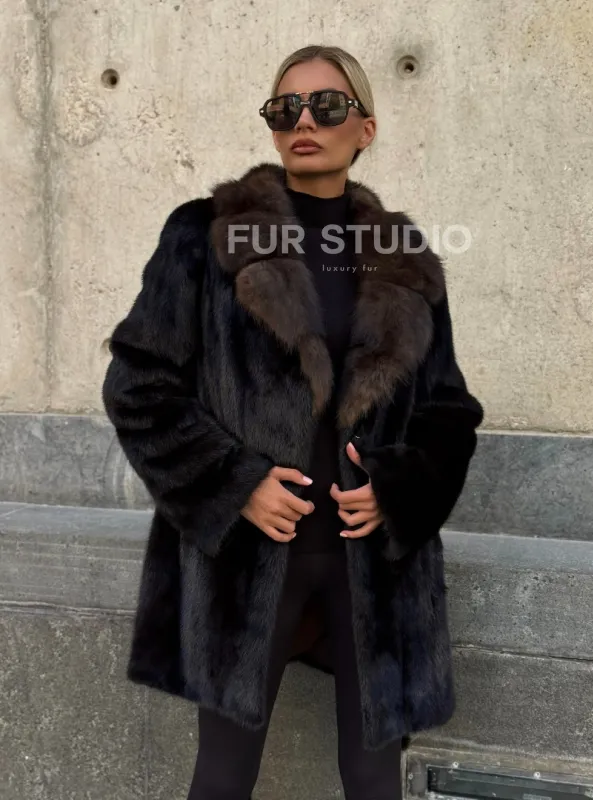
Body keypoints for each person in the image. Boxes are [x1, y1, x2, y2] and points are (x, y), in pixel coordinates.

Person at [101, 44, 484, 800]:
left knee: (374, 781)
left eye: (327, 106)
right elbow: (138, 384)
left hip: (374, 565)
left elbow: (449, 409)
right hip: (245, 559)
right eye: (286, 108)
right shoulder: (205, 237)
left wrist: (399, 490)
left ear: (364, 128)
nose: (304, 121)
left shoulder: (404, 258)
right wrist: (234, 483)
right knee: (223, 778)